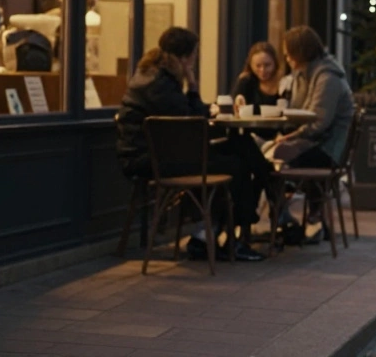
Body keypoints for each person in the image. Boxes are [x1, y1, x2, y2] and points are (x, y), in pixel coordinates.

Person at [114, 27, 268, 261]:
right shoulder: (160, 84)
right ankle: (230, 235)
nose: (195, 60)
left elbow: (187, 117)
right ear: (185, 57)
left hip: (160, 153)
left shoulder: (155, 75)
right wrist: (193, 86)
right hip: (152, 160)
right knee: (237, 164)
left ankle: (210, 235)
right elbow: (193, 124)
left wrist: (204, 106)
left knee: (242, 146)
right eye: (194, 55)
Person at [272, 26, 355, 170]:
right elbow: (301, 112)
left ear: (299, 53)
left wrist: (290, 137)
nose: (286, 58)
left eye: (288, 54)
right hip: (321, 144)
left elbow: (318, 123)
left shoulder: (327, 78)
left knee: (273, 156)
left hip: (329, 150)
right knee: (269, 152)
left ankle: (280, 191)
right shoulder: (309, 74)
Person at [232, 41, 283, 114]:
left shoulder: (284, 82)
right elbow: (232, 106)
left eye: (267, 65)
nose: (263, 70)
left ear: (275, 63)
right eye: (258, 66)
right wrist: (237, 101)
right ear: (251, 65)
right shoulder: (246, 80)